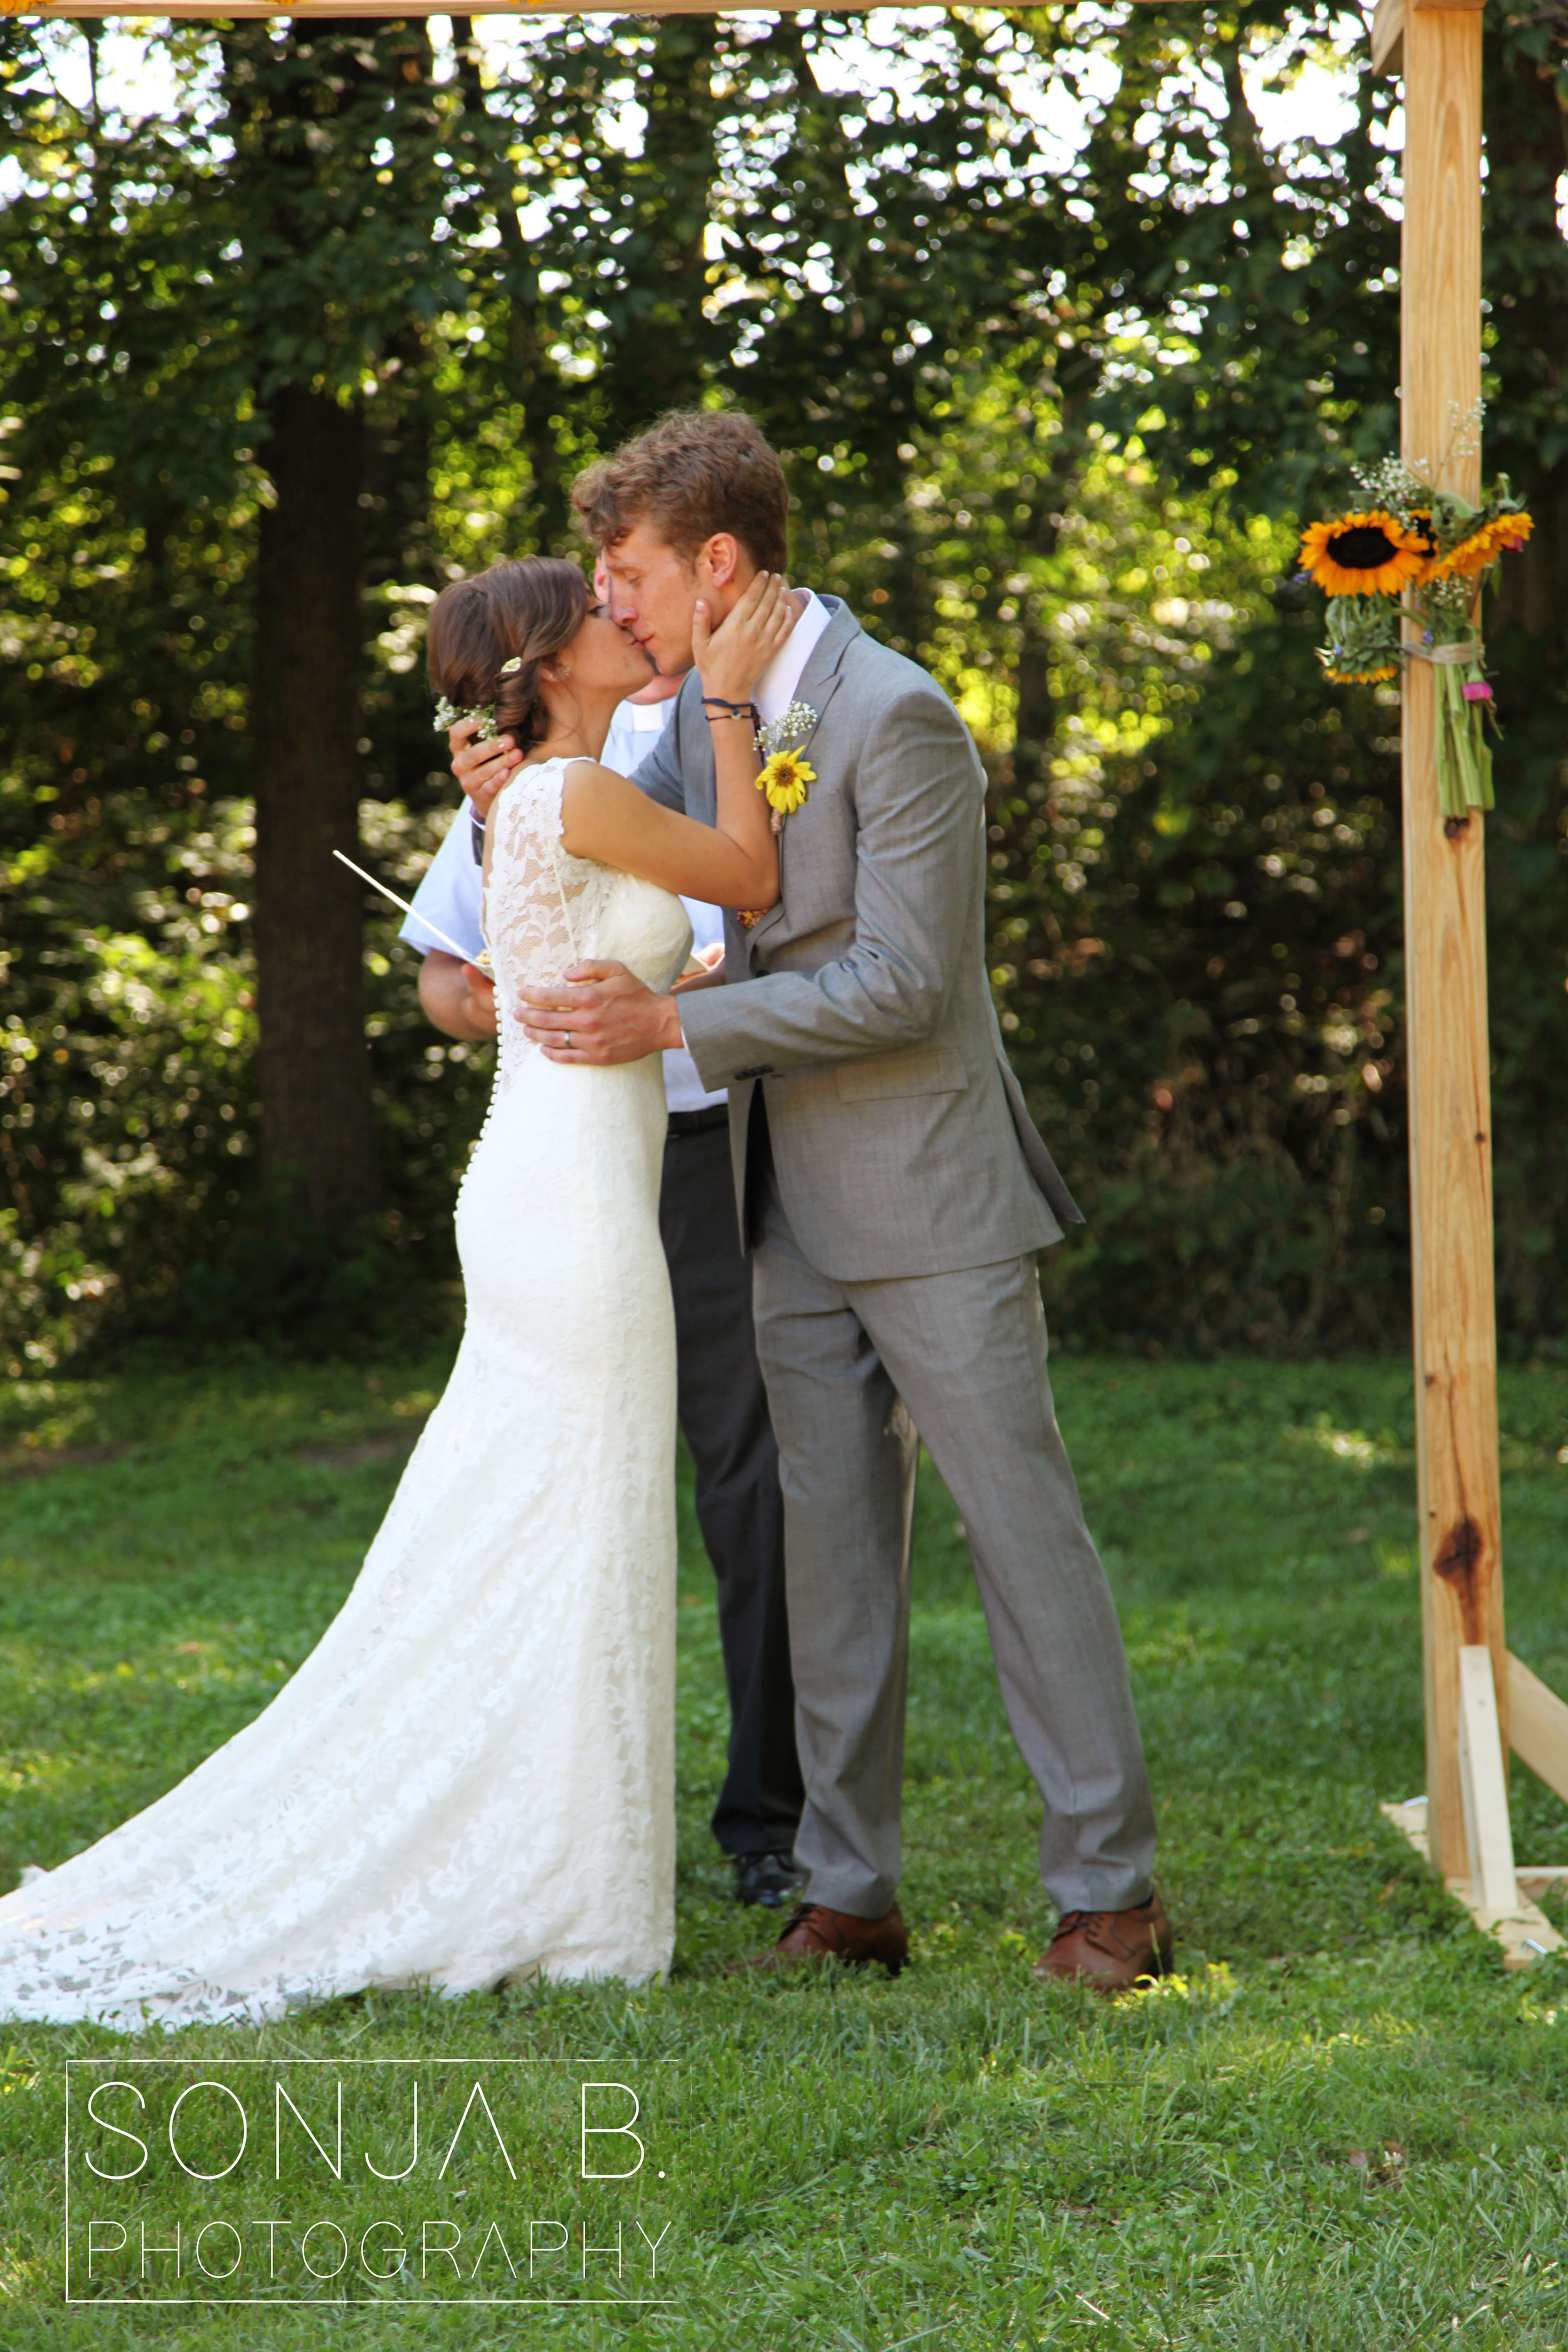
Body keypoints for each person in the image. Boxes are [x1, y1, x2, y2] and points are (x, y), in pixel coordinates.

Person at [0, 559, 795, 2025]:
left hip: (550, 1186)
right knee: (574, 1520)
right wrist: (736, 708)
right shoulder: (564, 795)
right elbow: (747, 880)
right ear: (549, 661)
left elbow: (632, 938)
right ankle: (559, 1880)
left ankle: (560, 1862)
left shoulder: (525, 807)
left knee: (554, 1522)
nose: (632, 625)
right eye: (601, 615)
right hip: (567, 1202)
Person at [456, 410, 1168, 1993]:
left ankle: (1107, 1893)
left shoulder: (893, 714)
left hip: (931, 1199)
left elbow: (907, 983)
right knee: (828, 1549)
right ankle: (848, 1890)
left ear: (716, 564)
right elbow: (676, 899)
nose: (613, 606)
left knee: (1018, 1538)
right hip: (777, 1197)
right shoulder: (682, 718)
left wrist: (677, 1025)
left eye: (630, 575)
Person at [408, 663, 805, 1910]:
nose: (614, 602)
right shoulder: (517, 777)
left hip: (716, 1142)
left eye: (622, 574)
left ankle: (765, 1819)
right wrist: (479, 999)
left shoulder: (754, 710)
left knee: (747, 1474)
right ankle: (527, 1802)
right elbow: (442, 974)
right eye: (595, 583)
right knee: (566, 1475)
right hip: (575, 1156)